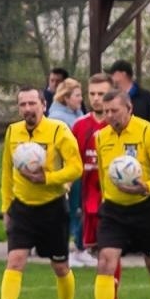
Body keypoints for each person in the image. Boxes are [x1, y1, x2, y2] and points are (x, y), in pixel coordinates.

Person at [0, 86, 81, 299]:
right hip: (22, 209)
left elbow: (76, 168)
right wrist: (6, 207)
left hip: (53, 208)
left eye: (32, 104)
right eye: (22, 105)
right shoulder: (14, 132)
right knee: (15, 261)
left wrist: (47, 178)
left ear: (43, 105)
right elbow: (6, 173)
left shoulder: (59, 131)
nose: (27, 109)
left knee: (60, 267)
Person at [78, 88, 150, 299]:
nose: (109, 115)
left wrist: (149, 187)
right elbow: (101, 172)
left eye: (114, 111)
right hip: (113, 210)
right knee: (105, 261)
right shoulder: (101, 137)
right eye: (105, 111)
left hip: (145, 208)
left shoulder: (148, 133)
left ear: (129, 109)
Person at [70, 74, 111, 281]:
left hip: (113, 195)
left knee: (110, 250)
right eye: (92, 94)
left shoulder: (119, 124)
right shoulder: (79, 126)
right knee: (98, 251)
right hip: (88, 193)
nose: (96, 98)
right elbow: (71, 160)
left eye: (101, 94)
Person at [48, 78, 86, 258]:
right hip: (66, 171)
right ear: (66, 97)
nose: (81, 99)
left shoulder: (78, 114)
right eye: (78, 95)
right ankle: (64, 248)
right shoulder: (58, 119)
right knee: (68, 209)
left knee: (79, 208)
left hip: (79, 168)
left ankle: (79, 247)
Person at [108, 59, 150, 126]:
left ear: (123, 74)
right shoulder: (111, 98)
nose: (111, 76)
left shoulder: (147, 97)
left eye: (113, 73)